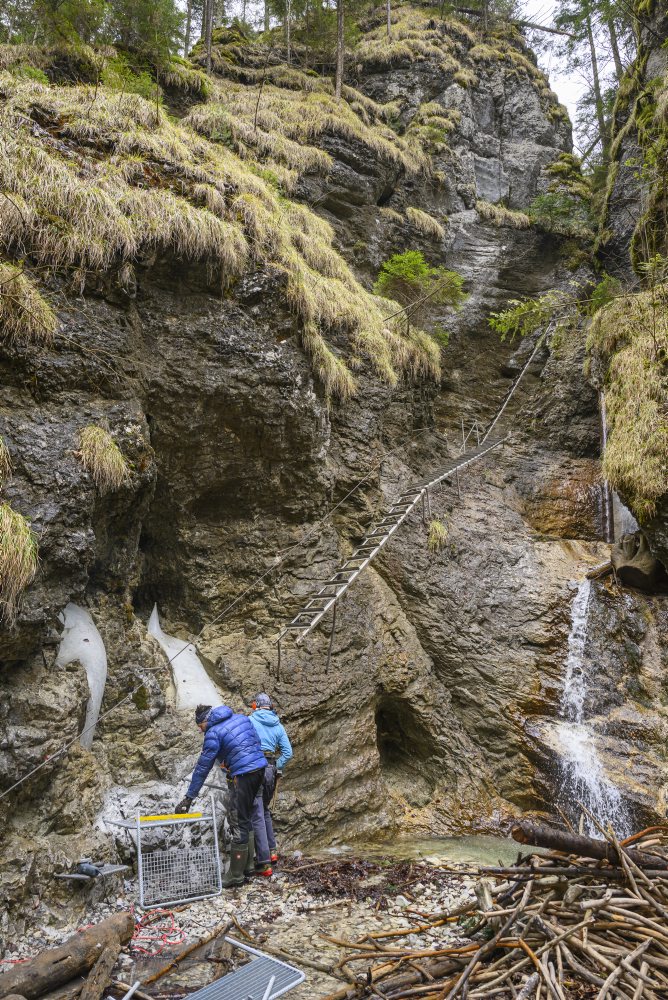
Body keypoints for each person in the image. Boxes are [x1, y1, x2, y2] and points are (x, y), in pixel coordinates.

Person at [176, 704, 267, 888]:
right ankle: (248, 866)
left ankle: (235, 875)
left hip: (243, 775)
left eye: (200, 726)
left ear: (205, 721)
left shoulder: (213, 733)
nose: (201, 731)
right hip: (260, 768)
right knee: (246, 815)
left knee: (237, 820)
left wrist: (189, 797)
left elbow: (203, 767)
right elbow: (256, 740)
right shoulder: (241, 718)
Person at [248, 693, 293, 875]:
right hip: (270, 769)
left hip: (254, 766)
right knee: (265, 810)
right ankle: (272, 851)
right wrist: (276, 767)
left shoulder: (250, 720)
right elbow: (288, 752)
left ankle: (263, 860)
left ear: (256, 706)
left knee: (256, 812)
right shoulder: (278, 724)